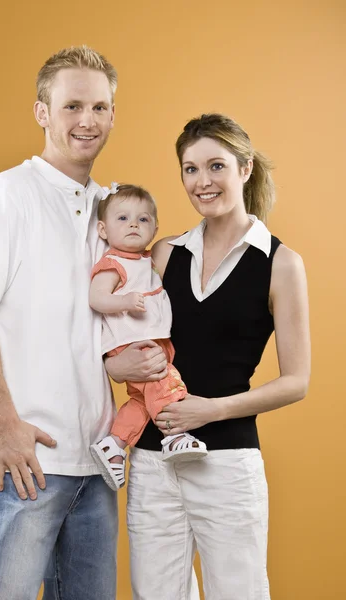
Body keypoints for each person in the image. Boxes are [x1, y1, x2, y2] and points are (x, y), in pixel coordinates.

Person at [105, 113, 311, 600]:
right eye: (190, 169)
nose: (202, 182)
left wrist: (211, 408)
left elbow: (297, 380)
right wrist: (115, 367)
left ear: (244, 168)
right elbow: (119, 340)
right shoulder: (162, 254)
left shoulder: (280, 263)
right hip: (154, 461)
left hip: (228, 463)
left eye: (215, 166)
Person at [0, 45, 129, 600]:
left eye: (99, 107)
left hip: (96, 466)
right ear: (42, 112)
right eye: (73, 105)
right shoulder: (8, 194)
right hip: (22, 460)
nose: (87, 121)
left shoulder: (114, 208)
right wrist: (4, 424)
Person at [89, 183, 207, 491]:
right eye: (123, 218)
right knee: (165, 384)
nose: (133, 225)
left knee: (141, 402)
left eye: (143, 220)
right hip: (132, 343)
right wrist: (124, 302)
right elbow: (97, 298)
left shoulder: (148, 260)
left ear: (155, 227)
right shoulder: (114, 263)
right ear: (103, 229)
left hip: (153, 340)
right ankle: (174, 435)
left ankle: (113, 445)